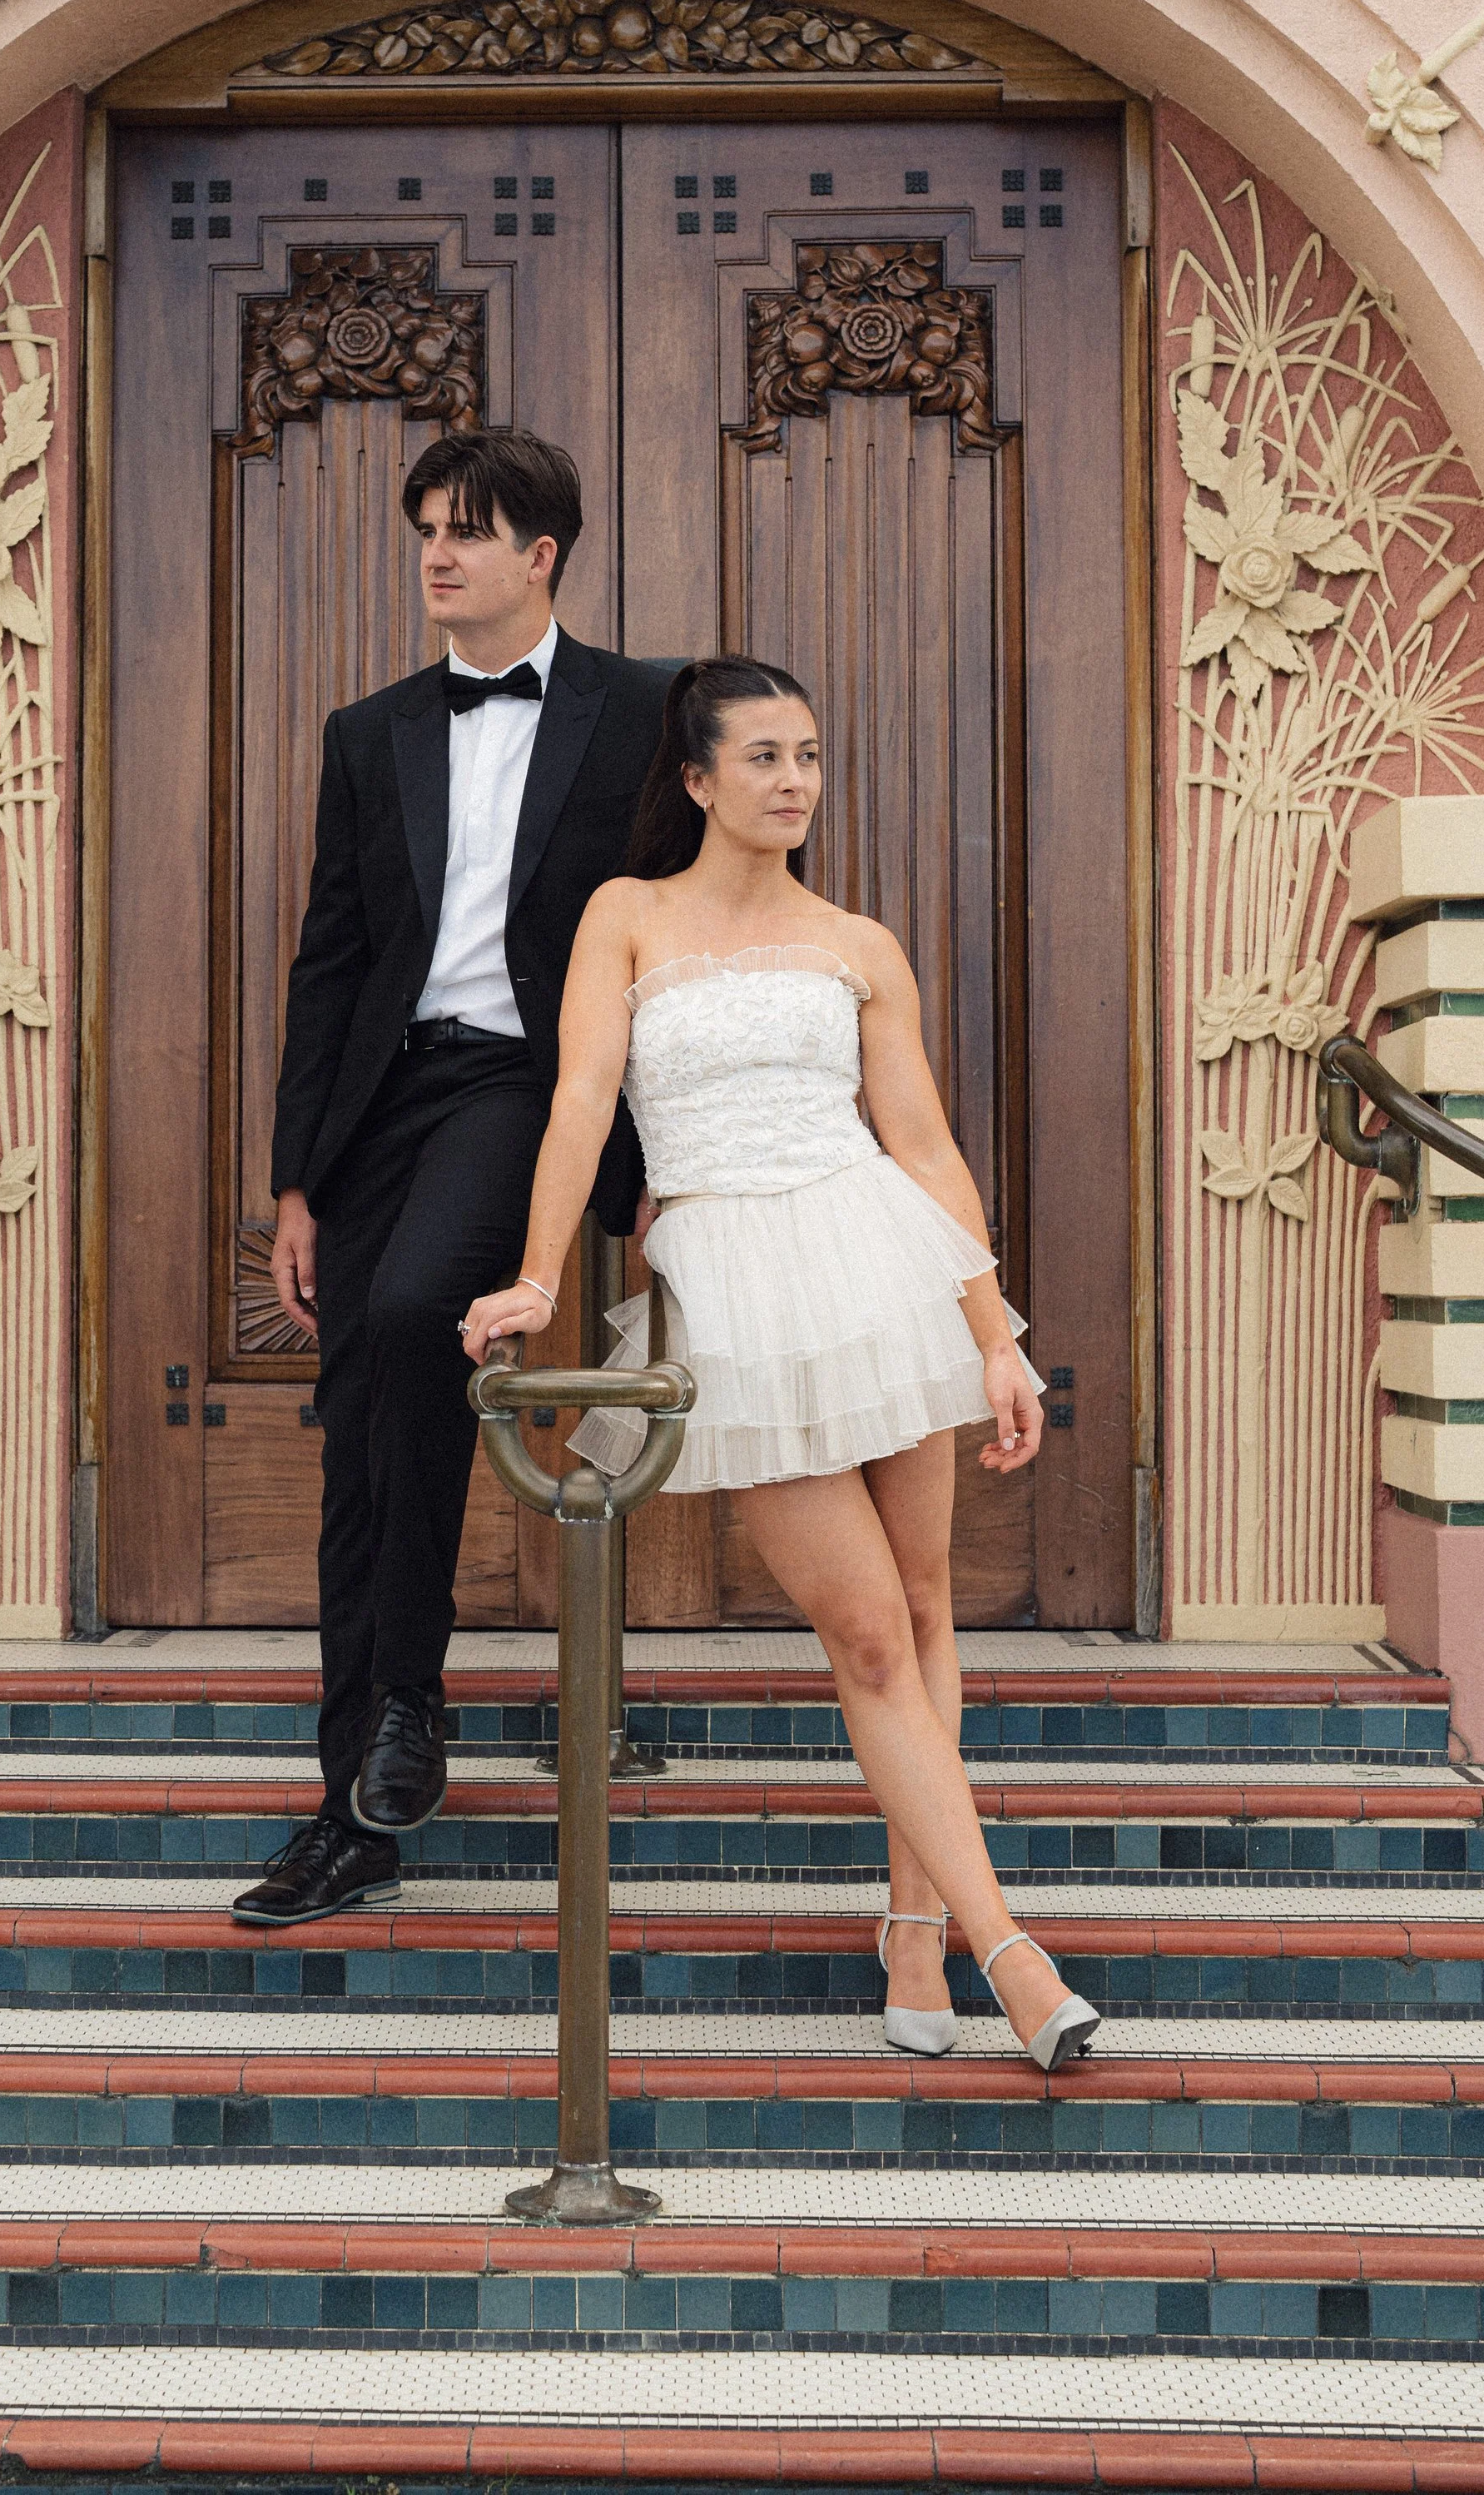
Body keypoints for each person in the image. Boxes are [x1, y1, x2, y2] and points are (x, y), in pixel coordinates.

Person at [463, 655, 1099, 2069]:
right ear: (695, 778)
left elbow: (925, 1148)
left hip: (877, 1262)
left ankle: (920, 1924)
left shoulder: (860, 942)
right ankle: (1017, 1953)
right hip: (733, 1280)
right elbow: (577, 1100)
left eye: (807, 753)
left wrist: (997, 1336)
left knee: (928, 1609)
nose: (792, 779)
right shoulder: (624, 918)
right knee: (867, 1629)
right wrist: (540, 1276)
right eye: (760, 756)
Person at [232, 431, 671, 1928]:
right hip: (380, 1100)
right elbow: (330, 957)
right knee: (359, 1431)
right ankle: (354, 1804)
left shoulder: (644, 707)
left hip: (524, 1085)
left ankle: (416, 1703)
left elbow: (690, 921)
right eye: (426, 526)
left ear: (542, 555)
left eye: (468, 531)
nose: (437, 553)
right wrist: (298, 1179)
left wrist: (660, 1153)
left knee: (424, 1310)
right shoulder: (374, 731)